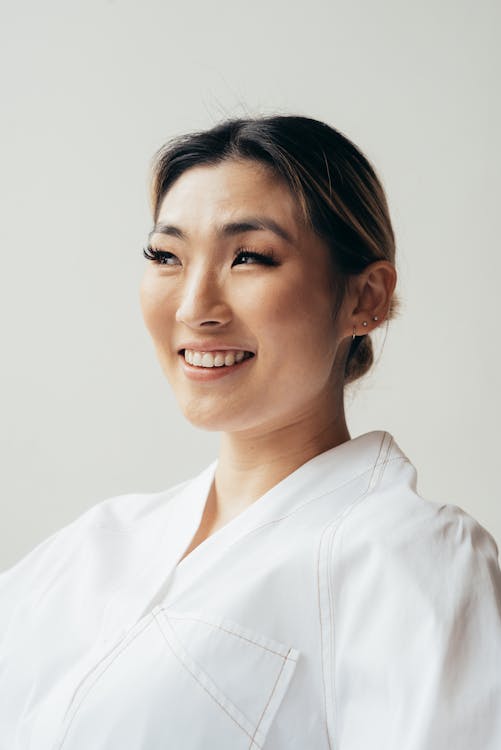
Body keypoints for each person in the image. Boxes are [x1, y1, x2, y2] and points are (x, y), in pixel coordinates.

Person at [1, 115, 500, 749]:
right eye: (166, 256)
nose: (193, 307)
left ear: (365, 297)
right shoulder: (95, 546)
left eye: (249, 257)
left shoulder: (410, 559)